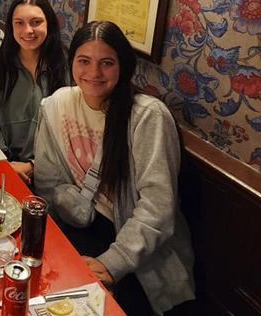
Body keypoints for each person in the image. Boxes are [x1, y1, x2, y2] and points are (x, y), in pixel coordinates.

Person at [32, 21, 195, 314]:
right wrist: (51, 242)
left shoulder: (147, 116)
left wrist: (112, 262)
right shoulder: (57, 104)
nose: (93, 73)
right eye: (84, 61)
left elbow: (158, 207)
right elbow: (47, 180)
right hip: (78, 223)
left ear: (123, 66)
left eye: (106, 63)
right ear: (72, 63)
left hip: (137, 247)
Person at [0, 0, 68, 182]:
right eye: (19, 23)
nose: (28, 30)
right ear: (11, 26)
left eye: (36, 22)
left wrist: (34, 165)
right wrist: (5, 159)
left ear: (48, 24)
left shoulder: (66, 66)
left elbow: (70, 131)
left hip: (54, 174)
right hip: (3, 165)